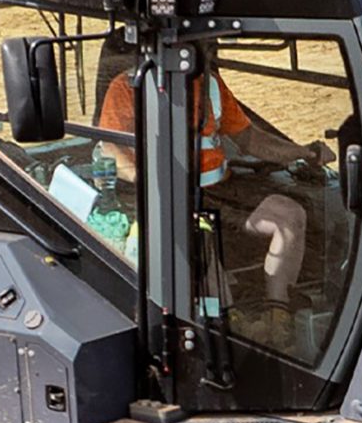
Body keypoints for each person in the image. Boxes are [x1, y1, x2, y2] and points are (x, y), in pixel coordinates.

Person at [98, 57, 323, 309]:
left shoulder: (210, 85)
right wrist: (149, 181)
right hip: (169, 192)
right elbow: (110, 148)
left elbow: (249, 139)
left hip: (222, 189)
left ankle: (278, 314)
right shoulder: (128, 87)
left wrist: (303, 152)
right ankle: (223, 323)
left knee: (291, 215)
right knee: (202, 244)